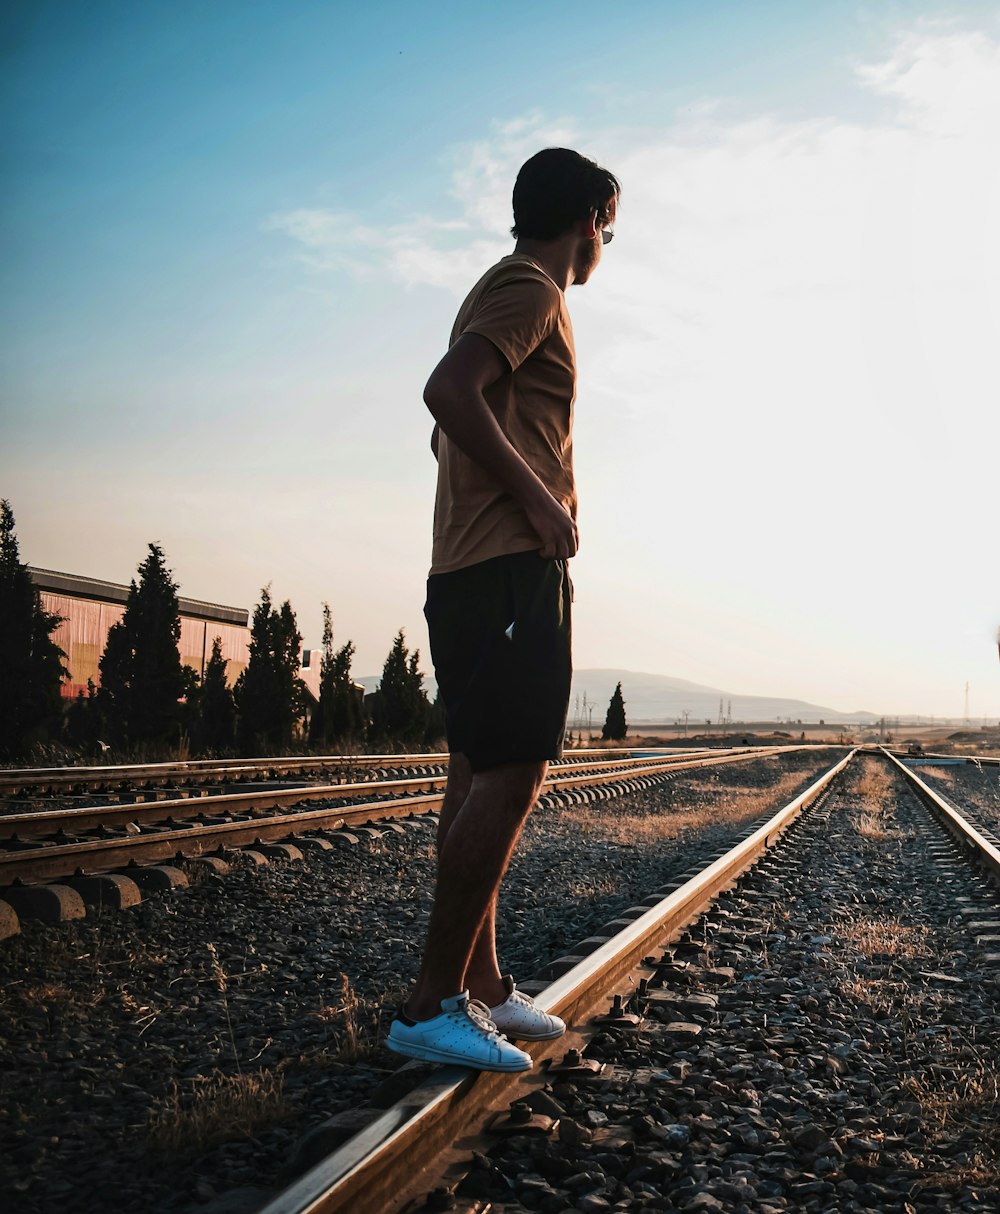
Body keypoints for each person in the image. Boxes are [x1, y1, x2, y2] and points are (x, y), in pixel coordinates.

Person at [387, 148, 621, 1072]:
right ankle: (430, 1002)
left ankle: (477, 985)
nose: (608, 243)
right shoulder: (533, 289)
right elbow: (448, 394)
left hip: (472, 570)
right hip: (505, 571)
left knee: (479, 766)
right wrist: (534, 502)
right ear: (589, 218)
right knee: (515, 771)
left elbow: (451, 420)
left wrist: (496, 492)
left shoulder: (498, 288)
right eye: (610, 225)